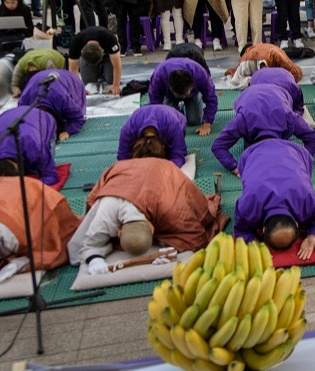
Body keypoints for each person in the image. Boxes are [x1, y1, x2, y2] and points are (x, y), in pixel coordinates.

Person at [68, 157, 223, 273]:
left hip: (163, 169)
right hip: (122, 171)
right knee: (77, 252)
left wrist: (174, 249)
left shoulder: (170, 208)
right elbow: (88, 243)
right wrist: (94, 259)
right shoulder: (106, 209)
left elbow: (196, 236)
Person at [211, 84, 315, 173]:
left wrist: (303, 159)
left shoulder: (289, 118)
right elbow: (218, 146)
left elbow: (313, 139)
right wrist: (234, 167)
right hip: (248, 94)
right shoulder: (242, 120)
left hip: (279, 92)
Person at [0, 107, 59, 189]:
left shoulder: (35, 147)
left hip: (43, 117)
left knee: (42, 164)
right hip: (5, 115)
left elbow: (51, 176)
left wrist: (28, 188)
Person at [147, 57, 217, 135]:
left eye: (185, 94)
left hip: (192, 95)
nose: (182, 97)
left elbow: (212, 99)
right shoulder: (159, 77)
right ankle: (177, 110)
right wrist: (156, 124)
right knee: (170, 120)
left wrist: (207, 124)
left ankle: (193, 100)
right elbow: (154, 103)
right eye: (180, 95)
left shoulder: (200, 74)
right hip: (170, 96)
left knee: (195, 120)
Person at [18, 68, 86, 140]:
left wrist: (68, 132)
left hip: (71, 81)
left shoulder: (61, 98)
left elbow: (78, 118)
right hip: (38, 79)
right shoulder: (24, 103)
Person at [118, 105, 188, 165]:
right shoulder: (128, 130)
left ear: (163, 146)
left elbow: (179, 155)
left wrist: (165, 169)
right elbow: (123, 158)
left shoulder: (173, 125)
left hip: (177, 119)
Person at [67, 26, 123, 95]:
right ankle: (96, 70)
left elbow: (117, 64)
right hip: (87, 59)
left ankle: (104, 69)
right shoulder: (76, 42)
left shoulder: (109, 38)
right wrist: (79, 89)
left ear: (102, 50)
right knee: (88, 83)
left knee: (110, 80)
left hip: (108, 57)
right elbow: (73, 70)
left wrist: (116, 86)